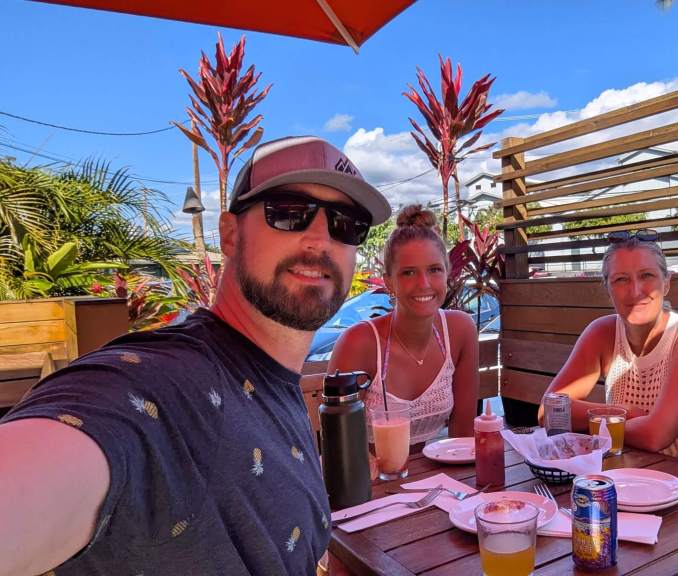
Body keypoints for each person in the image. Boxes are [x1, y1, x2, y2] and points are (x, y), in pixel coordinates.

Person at [0, 136, 391, 576]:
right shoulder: (164, 382)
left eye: (346, 223)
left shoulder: (272, 381)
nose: (320, 238)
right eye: (287, 212)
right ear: (229, 234)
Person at [541, 230, 678, 460]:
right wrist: (622, 413)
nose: (635, 291)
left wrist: (601, 429)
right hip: (624, 472)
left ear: (666, 283)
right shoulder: (602, 332)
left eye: (646, 276)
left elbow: (655, 436)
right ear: (607, 289)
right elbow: (549, 411)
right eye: (621, 279)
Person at [328, 205, 478, 443]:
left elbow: (463, 435)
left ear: (447, 273)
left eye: (434, 270)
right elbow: (340, 446)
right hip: (373, 479)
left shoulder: (460, 330)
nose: (424, 284)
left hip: (438, 477)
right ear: (389, 282)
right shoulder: (359, 343)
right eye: (408, 273)